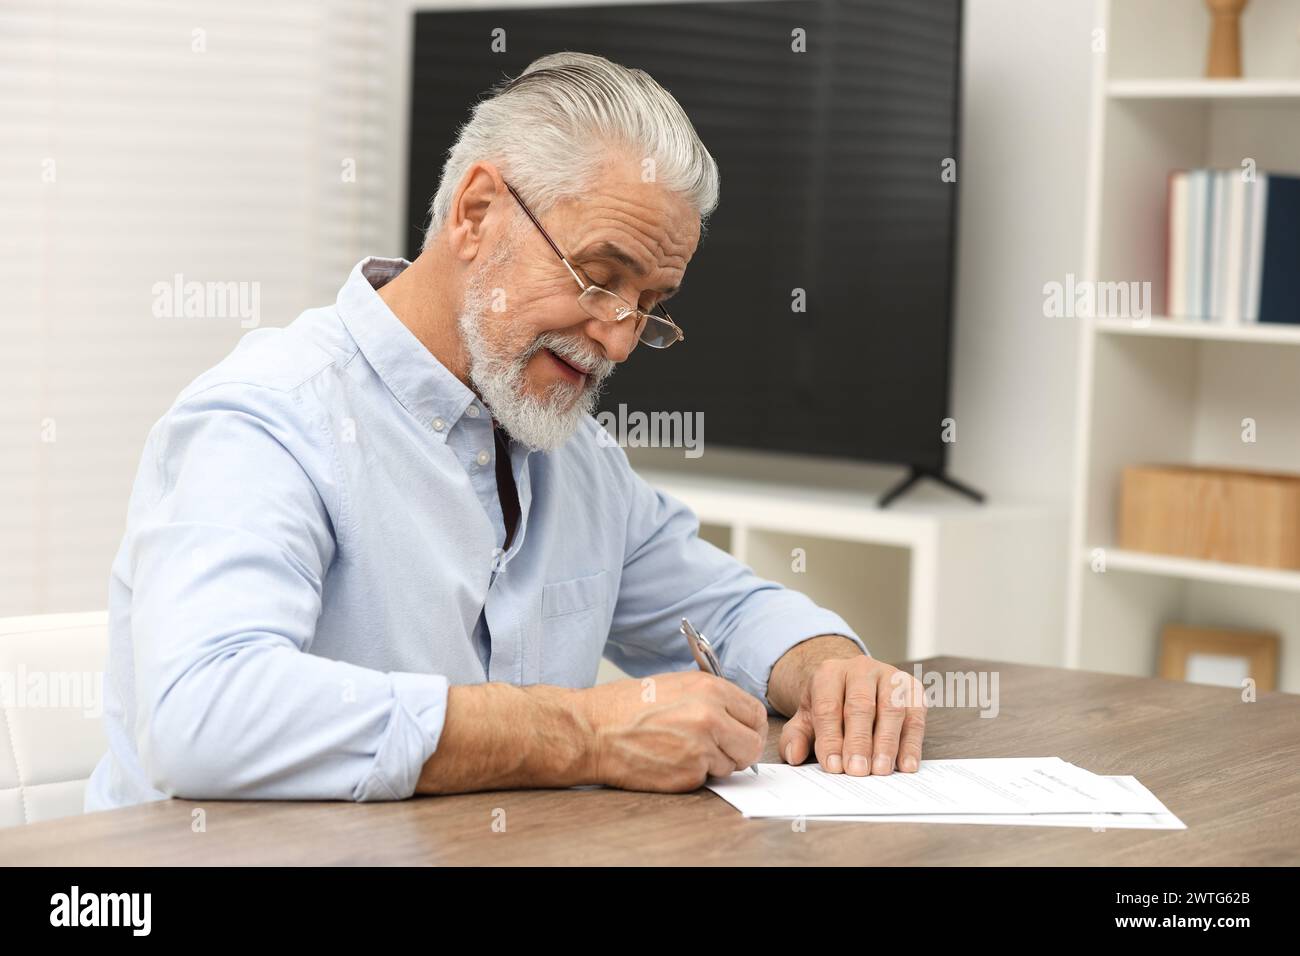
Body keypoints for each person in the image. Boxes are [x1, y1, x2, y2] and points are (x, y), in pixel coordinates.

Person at [86, 51, 925, 811]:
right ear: (478, 211)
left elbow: (729, 608)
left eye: (651, 309)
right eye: (600, 279)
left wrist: (825, 666)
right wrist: (584, 733)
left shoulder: (572, 454)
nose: (620, 338)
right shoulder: (268, 418)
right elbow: (201, 713)